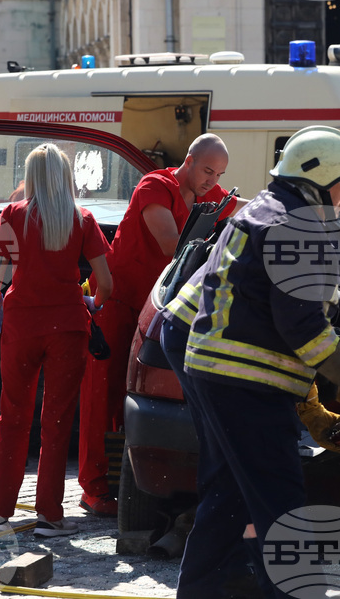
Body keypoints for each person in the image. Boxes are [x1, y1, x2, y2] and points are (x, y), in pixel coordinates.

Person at [176, 128, 340, 598]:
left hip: (218, 374)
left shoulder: (272, 212)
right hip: (247, 386)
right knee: (281, 502)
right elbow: (301, 327)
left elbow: (277, 316)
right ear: (319, 179)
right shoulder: (300, 227)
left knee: (227, 498)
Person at [78, 133, 240, 518]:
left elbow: (242, 208)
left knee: (133, 397)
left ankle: (124, 481)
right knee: (100, 398)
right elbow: (173, 245)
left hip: (153, 310)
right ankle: (91, 487)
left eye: (218, 174)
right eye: (206, 170)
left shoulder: (207, 192)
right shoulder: (156, 185)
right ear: (188, 159)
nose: (210, 179)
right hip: (116, 303)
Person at [0, 143, 112, 537]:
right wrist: (89, 298)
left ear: (32, 176)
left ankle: (0, 511)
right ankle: (49, 516)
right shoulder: (83, 218)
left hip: (22, 325)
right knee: (56, 422)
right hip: (69, 327)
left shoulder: (12, 215)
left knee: (13, 417)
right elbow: (105, 282)